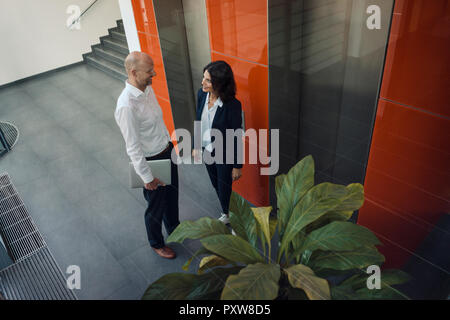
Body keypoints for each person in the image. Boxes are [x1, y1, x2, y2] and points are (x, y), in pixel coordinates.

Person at [115, 51, 179, 259]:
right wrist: (147, 177)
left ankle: (175, 229)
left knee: (172, 197)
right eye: (149, 71)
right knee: (155, 207)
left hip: (166, 151)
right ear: (133, 72)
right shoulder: (126, 106)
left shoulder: (147, 89)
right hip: (151, 161)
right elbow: (132, 146)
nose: (154, 74)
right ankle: (156, 243)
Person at [193, 60, 243, 224]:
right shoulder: (201, 94)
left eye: (208, 80)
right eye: (203, 78)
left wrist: (237, 165)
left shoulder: (232, 105)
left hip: (224, 152)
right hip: (207, 149)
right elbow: (198, 120)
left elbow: (236, 135)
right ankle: (226, 209)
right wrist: (195, 145)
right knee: (215, 182)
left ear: (220, 83)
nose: (202, 82)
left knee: (224, 185)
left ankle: (228, 215)